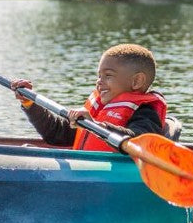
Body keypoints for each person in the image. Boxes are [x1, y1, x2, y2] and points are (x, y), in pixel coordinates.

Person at [11, 43, 167, 151]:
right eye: (99, 75)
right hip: (85, 172)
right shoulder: (98, 108)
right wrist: (30, 103)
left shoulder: (145, 111)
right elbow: (56, 135)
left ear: (136, 81)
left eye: (108, 75)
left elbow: (138, 142)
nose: (99, 82)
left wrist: (96, 126)